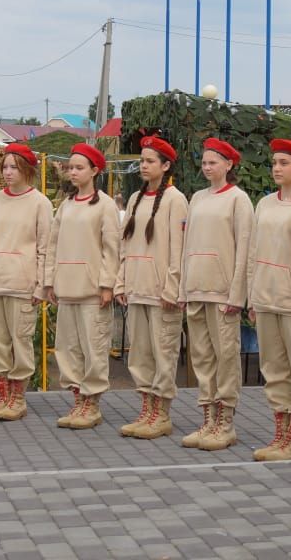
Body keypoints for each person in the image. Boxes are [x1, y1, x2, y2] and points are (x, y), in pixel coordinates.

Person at [179, 138, 254, 451]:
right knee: (202, 357)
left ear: (228, 165)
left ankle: (225, 422)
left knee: (226, 357)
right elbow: (187, 247)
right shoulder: (196, 198)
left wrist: (237, 295)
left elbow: (245, 250)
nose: (207, 167)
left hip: (223, 294)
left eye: (213, 162)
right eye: (205, 162)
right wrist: (183, 288)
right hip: (196, 289)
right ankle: (208, 418)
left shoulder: (239, 200)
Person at [248, 138, 291, 462]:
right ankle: (279, 435)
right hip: (265, 298)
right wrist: (252, 295)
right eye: (274, 162)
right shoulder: (264, 204)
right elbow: (254, 252)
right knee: (274, 370)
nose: (277, 168)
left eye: (284, 163)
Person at [116, 135, 188, 440]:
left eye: (150, 161)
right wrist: (121, 281)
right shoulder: (134, 199)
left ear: (166, 165)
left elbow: (179, 249)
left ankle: (161, 414)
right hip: (137, 287)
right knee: (140, 354)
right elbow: (125, 245)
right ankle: (146, 409)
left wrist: (172, 288)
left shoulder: (176, 200)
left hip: (161, 293)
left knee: (164, 352)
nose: (143, 166)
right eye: (142, 161)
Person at [44, 142, 119, 430]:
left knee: (93, 346)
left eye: (79, 168)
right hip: (66, 287)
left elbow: (112, 248)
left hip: (92, 291)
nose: (72, 172)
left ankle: (92, 403)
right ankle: (77, 399)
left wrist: (107, 284)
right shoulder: (64, 205)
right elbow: (53, 245)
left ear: (94, 171)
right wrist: (50, 281)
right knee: (67, 347)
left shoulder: (106, 205)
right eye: (70, 167)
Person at [0, 142, 52, 421]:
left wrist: (41, 284)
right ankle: (1, 394)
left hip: (22, 283)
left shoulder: (40, 203)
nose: (8, 172)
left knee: (20, 340)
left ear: (27, 170)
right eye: (5, 167)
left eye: (14, 167)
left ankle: (17, 397)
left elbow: (45, 247)